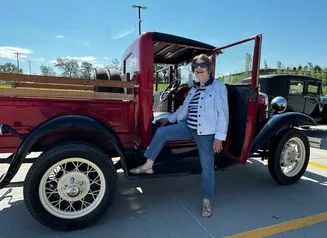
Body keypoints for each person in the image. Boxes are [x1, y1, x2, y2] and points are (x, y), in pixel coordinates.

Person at [130, 53, 229, 218]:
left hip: (206, 133)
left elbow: (223, 114)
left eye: (202, 65)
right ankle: (148, 165)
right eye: (195, 66)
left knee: (207, 168)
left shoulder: (219, 87)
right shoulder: (194, 89)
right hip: (188, 127)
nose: (198, 68)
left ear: (209, 68)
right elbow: (183, 109)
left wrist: (219, 137)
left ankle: (207, 201)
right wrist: (168, 120)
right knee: (162, 132)